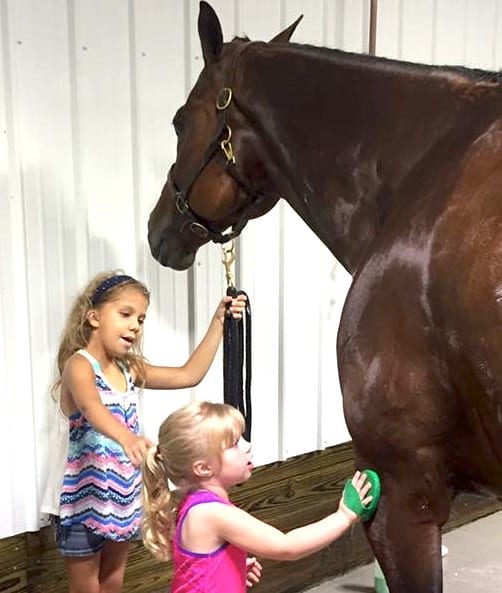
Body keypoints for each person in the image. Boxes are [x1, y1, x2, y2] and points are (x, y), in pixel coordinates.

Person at [40, 271, 246, 593]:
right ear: (94, 317)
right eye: (125, 314)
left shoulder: (130, 369)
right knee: (86, 587)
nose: (135, 325)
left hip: (121, 498)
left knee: (113, 581)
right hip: (80, 501)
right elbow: (93, 409)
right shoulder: (78, 365)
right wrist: (127, 437)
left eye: (141, 318)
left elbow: (189, 374)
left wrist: (219, 321)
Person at [141, 400, 375, 593]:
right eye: (234, 444)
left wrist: (231, 567)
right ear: (203, 468)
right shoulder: (210, 512)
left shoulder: (197, 505)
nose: (247, 446)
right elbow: (286, 547)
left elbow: (199, 568)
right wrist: (344, 516)